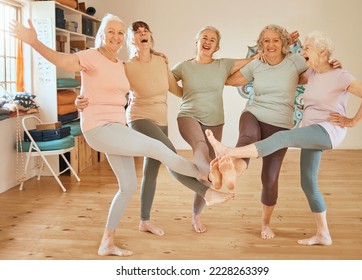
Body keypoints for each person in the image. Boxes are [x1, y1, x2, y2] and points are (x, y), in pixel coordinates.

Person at [10, 14, 234, 257]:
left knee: (127, 186)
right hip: (99, 128)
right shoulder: (90, 56)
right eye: (111, 32)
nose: (115, 37)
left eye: (119, 32)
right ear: (101, 35)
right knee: (159, 149)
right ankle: (209, 182)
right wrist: (33, 42)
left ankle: (107, 242)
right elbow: (62, 61)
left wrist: (81, 99)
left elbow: (119, 88)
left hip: (117, 128)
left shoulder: (120, 65)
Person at [205, 30, 362, 246]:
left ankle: (227, 152)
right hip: (310, 130)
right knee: (308, 182)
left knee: (281, 137)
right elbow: (286, 75)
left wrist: (351, 121)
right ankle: (323, 234)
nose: (303, 51)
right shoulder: (313, 73)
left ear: (323, 51)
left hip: (326, 131)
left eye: (307, 48)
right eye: (303, 47)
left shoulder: (340, 75)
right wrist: (260, 60)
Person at [76, 20, 218, 236]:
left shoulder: (161, 60)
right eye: (137, 32)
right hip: (139, 118)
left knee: (150, 172)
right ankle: (206, 189)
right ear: (131, 40)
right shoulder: (126, 66)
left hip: (161, 120)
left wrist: (201, 80)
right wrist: (81, 101)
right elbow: (105, 86)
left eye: (146, 31)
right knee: (169, 154)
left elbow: (176, 90)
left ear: (150, 36)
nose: (142, 34)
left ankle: (144, 220)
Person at [215, 24, 341, 240]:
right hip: (253, 113)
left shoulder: (295, 61)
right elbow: (230, 80)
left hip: (280, 123)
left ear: (284, 43)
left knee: (270, 178)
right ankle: (231, 173)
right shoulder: (257, 64)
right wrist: (251, 59)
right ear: (260, 44)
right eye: (266, 41)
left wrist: (335, 64)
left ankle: (265, 224)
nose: (270, 45)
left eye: (275, 40)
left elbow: (319, 66)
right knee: (247, 139)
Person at [171, 26, 259, 233]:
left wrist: (285, 44)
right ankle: (213, 179)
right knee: (200, 147)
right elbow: (161, 80)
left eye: (212, 39)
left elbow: (254, 59)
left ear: (216, 47)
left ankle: (196, 215)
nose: (207, 41)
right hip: (188, 115)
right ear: (197, 42)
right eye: (204, 38)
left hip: (215, 121)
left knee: (207, 166)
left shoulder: (223, 65)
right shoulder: (183, 66)